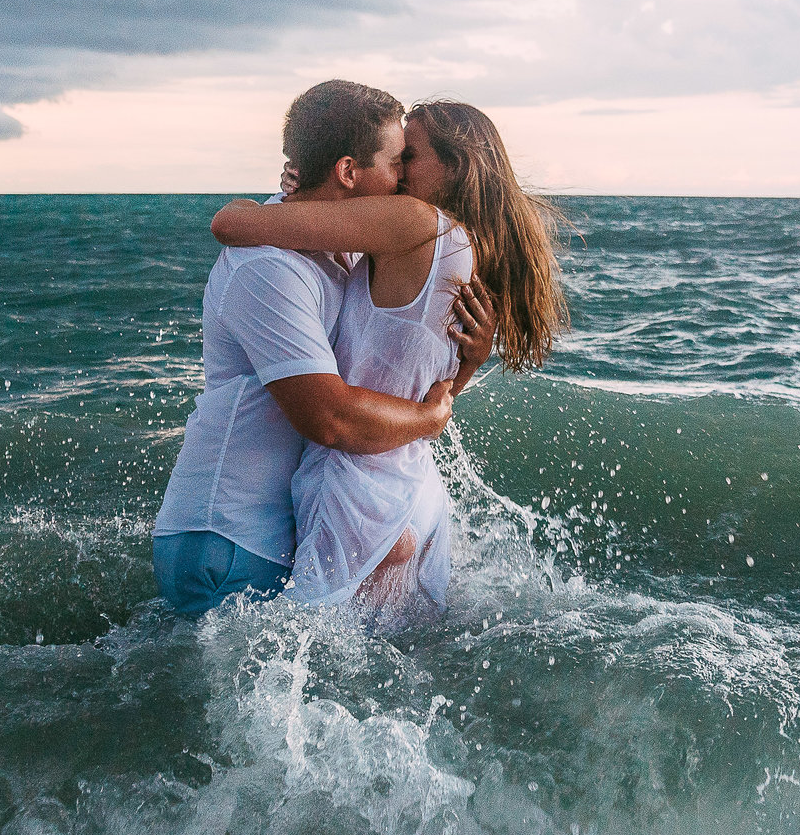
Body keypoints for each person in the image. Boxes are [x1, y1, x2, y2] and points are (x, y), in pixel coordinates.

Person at [208, 98, 567, 622]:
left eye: (410, 156)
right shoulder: (461, 244)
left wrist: (239, 208)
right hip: (408, 484)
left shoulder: (413, 221)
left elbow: (239, 228)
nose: (398, 173)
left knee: (292, 658)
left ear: (454, 168)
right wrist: (470, 365)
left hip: (354, 487)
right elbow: (428, 387)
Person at [152, 81, 494, 616]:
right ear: (348, 171)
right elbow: (331, 420)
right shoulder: (270, 267)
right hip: (227, 539)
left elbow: (386, 361)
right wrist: (431, 418)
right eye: (395, 160)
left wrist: (463, 361)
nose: (402, 176)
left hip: (277, 531)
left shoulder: (342, 254)